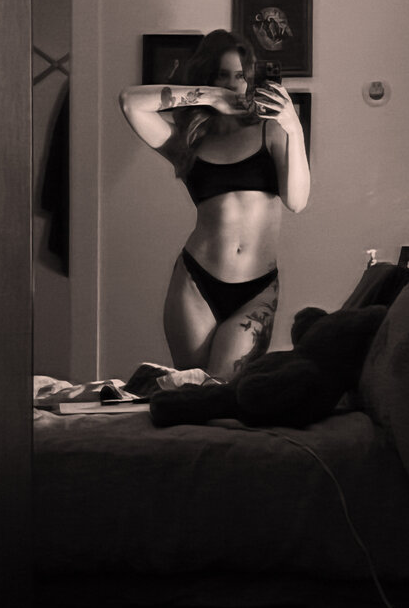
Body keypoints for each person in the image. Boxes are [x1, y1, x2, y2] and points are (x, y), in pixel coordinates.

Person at [119, 29, 310, 380]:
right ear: (207, 77)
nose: (234, 85)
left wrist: (293, 128)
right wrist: (211, 97)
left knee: (223, 391)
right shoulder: (188, 140)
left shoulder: (270, 131)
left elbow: (297, 202)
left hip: (256, 290)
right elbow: (130, 102)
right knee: (192, 392)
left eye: (240, 76)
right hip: (195, 282)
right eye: (222, 75)